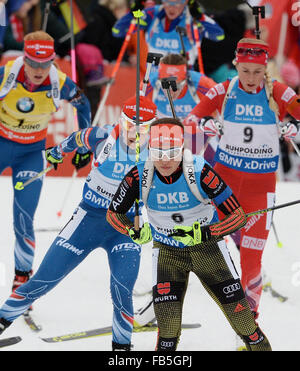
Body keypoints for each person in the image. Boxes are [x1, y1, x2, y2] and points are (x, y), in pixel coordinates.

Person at [0, 95, 157, 351]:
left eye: (143, 129)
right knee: (43, 280)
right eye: (130, 125)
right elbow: (77, 138)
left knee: (122, 290)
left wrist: (150, 226)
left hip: (125, 228)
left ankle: (122, 350)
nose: (134, 134)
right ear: (121, 121)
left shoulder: (157, 153)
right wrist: (57, 152)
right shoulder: (102, 137)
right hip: (87, 221)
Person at [106, 117, 272, 351]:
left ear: (182, 147)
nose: (165, 160)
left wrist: (206, 233)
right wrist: (133, 231)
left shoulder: (199, 170)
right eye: (158, 152)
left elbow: (238, 216)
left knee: (244, 323)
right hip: (167, 253)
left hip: (209, 251)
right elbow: (114, 214)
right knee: (168, 331)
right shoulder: (138, 175)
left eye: (172, 152)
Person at [184, 37, 300, 318]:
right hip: (224, 185)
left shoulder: (280, 93)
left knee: (251, 257)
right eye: (244, 70)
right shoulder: (224, 90)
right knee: (198, 245)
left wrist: (294, 128)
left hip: (261, 190)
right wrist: (206, 125)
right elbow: (189, 121)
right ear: (236, 65)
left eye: (257, 72)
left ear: (265, 70)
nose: (250, 78)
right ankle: (169, 301)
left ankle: (249, 319)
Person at [0, 30, 91, 296]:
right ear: (24, 59)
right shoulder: (5, 75)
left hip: (31, 153)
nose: (39, 70)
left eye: (45, 63)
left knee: (23, 216)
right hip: (2, 144)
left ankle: (21, 278)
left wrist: (83, 144)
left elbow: (83, 105)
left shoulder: (60, 83)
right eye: (34, 63)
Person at [112, 0, 225, 69]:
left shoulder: (191, 18)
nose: (171, 8)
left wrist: (200, 17)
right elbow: (117, 31)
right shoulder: (152, 14)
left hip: (182, 83)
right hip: (155, 81)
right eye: (167, 2)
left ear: (185, 1)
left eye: (177, 4)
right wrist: (133, 13)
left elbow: (219, 35)